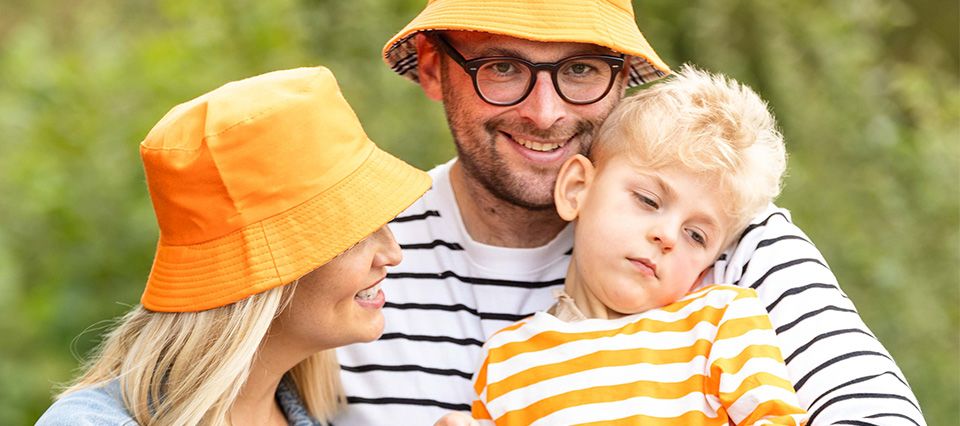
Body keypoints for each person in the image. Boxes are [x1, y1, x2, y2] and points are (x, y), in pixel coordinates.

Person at [335, 1, 925, 424]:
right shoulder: (348, 256)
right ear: (435, 67)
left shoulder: (736, 240)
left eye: (580, 69)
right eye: (504, 67)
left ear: (620, 81)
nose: (545, 113)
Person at [36, 66, 431, 425]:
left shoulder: (330, 413)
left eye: (383, 222)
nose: (392, 254)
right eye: (355, 232)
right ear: (257, 276)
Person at [470, 65, 806, 425]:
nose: (668, 236)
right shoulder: (507, 360)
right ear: (577, 189)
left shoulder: (719, 324)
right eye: (648, 200)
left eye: (697, 236)